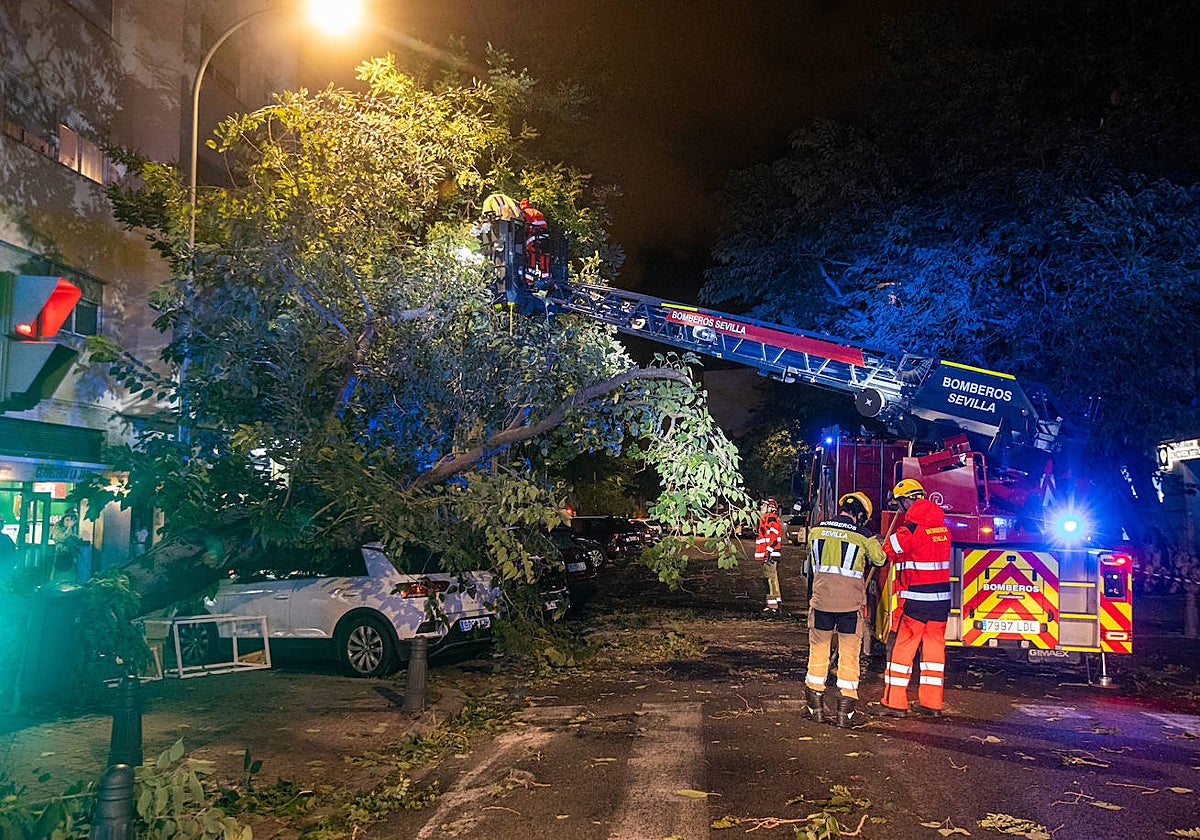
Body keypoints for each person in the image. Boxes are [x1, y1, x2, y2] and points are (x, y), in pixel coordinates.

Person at [803, 491, 886, 727]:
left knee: (818, 650)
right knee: (849, 654)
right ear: (860, 515)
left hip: (821, 603)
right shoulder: (862, 535)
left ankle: (814, 707)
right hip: (850, 606)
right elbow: (879, 560)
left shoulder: (816, 530)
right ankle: (845, 713)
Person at [876, 479, 952, 718]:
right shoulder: (942, 529)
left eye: (900, 504)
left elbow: (886, 552)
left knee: (902, 650)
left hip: (916, 602)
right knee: (934, 652)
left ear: (906, 500)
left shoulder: (909, 530)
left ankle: (895, 704)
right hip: (940, 603)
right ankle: (931, 704)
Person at [754, 499, 783, 614]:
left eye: (763, 507)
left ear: (771, 508)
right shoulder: (769, 519)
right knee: (773, 579)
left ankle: (772, 607)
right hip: (770, 553)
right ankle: (776, 604)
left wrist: (769, 552)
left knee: (769, 580)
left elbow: (773, 536)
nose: (761, 509)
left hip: (770, 554)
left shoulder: (770, 518)